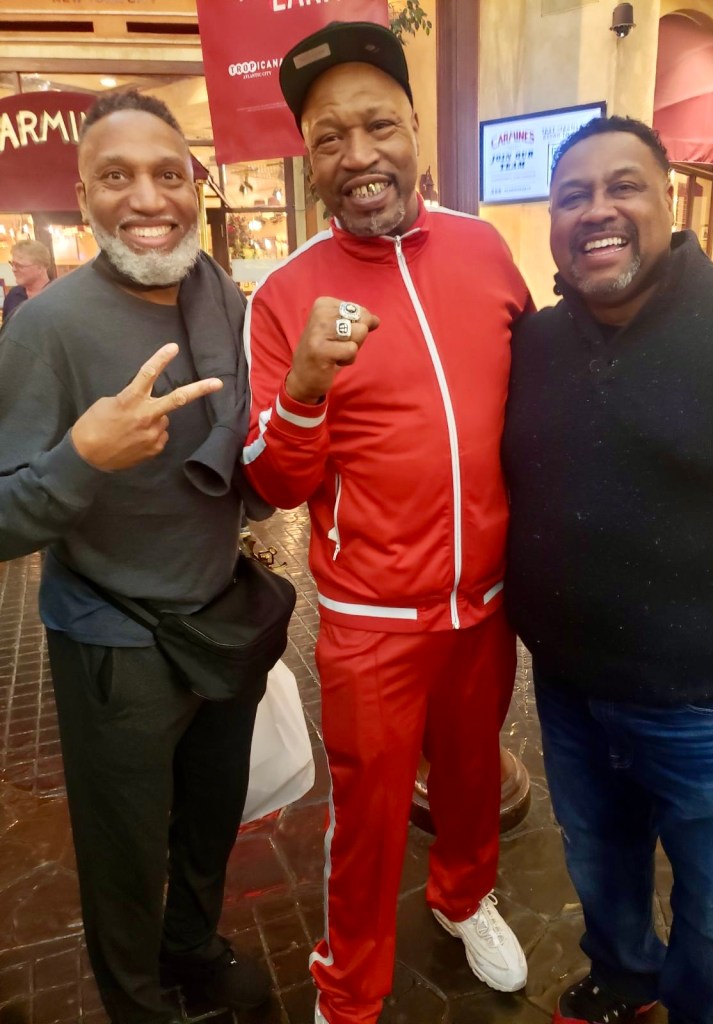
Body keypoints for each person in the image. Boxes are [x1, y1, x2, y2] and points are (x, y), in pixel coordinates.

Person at [243, 21, 532, 1024]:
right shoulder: (286, 295)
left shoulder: (485, 250)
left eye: (378, 125)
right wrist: (305, 390)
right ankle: (349, 991)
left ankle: (463, 897)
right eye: (329, 137)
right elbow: (275, 481)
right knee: (366, 820)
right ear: (309, 158)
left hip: (487, 603)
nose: (358, 153)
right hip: (372, 622)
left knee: (472, 779)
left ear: (416, 130)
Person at [0, 90, 273, 1024]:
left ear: (195, 186)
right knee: (123, 852)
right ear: (84, 200)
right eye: (116, 176)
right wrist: (82, 458)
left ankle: (190, 947)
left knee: (210, 820)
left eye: (168, 173)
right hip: (114, 645)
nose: (148, 197)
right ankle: (137, 1005)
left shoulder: (217, 291)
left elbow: (243, 445)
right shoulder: (46, 328)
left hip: (218, 619)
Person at [503, 116, 713, 1024]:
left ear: (669, 199)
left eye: (624, 186)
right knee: (600, 863)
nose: (597, 211)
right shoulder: (533, 343)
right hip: (571, 690)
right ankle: (623, 978)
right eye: (572, 196)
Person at [1, 239, 52, 327]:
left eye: (19, 265)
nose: (13, 269)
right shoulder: (13, 295)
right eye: (12, 264)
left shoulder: (57, 295)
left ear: (40, 267)